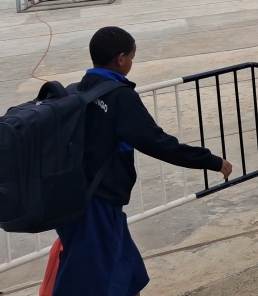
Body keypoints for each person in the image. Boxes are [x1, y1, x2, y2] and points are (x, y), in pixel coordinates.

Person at [53, 27, 231, 296]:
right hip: (96, 204)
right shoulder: (119, 96)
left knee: (127, 272)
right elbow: (157, 143)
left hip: (78, 197)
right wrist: (210, 160)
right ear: (121, 59)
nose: (131, 63)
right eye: (132, 58)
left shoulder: (76, 90)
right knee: (89, 282)